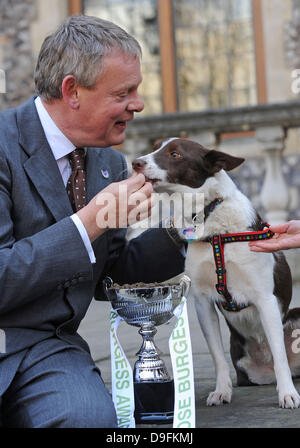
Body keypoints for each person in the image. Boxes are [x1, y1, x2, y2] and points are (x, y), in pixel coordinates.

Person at [0, 15, 185, 428]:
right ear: (72, 91)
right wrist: (93, 220)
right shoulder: (1, 144)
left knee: (90, 419)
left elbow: (112, 274)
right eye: (125, 92)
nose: (137, 104)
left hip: (47, 349)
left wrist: (187, 232)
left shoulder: (107, 163)